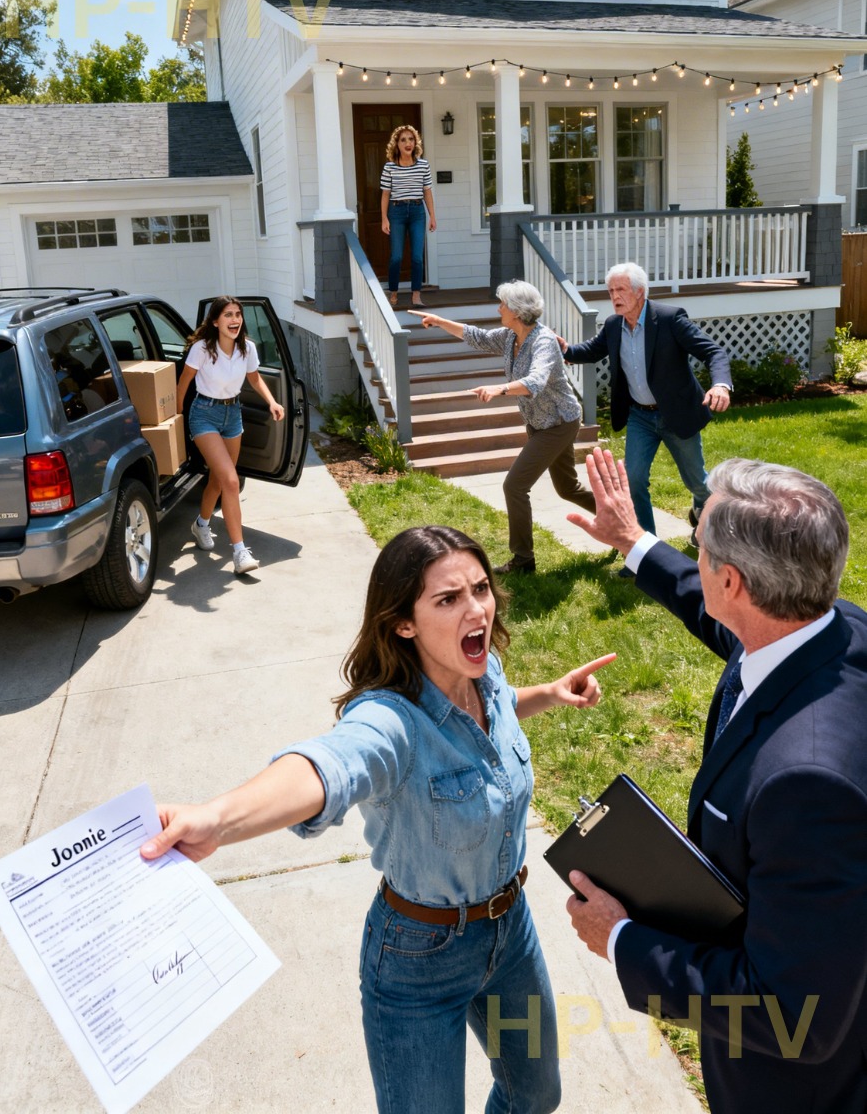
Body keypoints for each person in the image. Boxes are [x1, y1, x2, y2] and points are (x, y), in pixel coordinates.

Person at [141, 524, 615, 1114]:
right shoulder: (390, 721)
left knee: (537, 1095)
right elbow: (330, 766)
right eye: (448, 599)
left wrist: (549, 691)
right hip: (420, 958)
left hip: (509, 932)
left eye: (482, 589)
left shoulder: (482, 671)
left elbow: (496, 706)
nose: (477, 610)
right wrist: (218, 818)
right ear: (403, 623)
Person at [563, 446, 867, 1114]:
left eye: (696, 548)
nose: (692, 556)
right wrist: (635, 543)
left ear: (732, 582)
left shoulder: (807, 785)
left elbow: (798, 1014)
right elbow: (727, 626)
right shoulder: (831, 629)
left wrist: (623, 940)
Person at [421, 281, 597, 575]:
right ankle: (623, 521)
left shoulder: (543, 342)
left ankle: (523, 560)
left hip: (558, 423)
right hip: (539, 423)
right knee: (568, 488)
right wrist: (439, 322)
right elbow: (476, 336)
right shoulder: (509, 336)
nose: (498, 308)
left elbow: (536, 382)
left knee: (514, 486)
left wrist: (499, 389)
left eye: (502, 304)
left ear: (516, 311)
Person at [562, 262, 732, 547]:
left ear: (640, 293)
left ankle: (706, 516)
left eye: (621, 290)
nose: (614, 296)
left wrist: (721, 385)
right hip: (640, 416)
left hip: (676, 414)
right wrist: (567, 350)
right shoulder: (614, 324)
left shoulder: (669, 319)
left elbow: (713, 352)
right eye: (611, 290)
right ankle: (647, 550)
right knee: (634, 481)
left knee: (697, 482)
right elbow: (593, 350)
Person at [177, 296, 285, 575]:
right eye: (228, 315)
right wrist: (177, 415)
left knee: (219, 480)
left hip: (232, 414)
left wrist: (271, 402)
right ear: (215, 321)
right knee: (231, 481)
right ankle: (239, 552)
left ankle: (200, 524)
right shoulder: (202, 348)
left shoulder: (247, 348)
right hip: (204, 414)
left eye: (238, 314)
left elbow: (255, 378)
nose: (235, 319)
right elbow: (185, 380)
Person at [380, 124, 436, 308]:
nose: (408, 143)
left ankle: (416, 295)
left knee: (417, 257)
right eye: (403, 139)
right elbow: (386, 194)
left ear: (415, 142)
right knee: (396, 256)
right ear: (396, 144)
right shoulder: (390, 167)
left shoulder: (423, 165)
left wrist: (432, 216)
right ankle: (394, 293)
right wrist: (384, 218)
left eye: (411, 139)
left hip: (417, 212)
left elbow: (427, 192)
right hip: (396, 213)